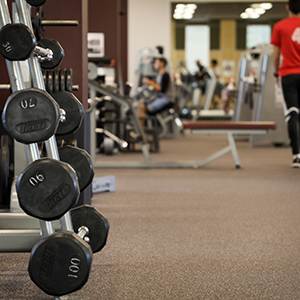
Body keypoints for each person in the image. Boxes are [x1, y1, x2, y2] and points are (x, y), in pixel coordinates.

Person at [271, 0, 300, 167]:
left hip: (288, 74)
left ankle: (297, 155)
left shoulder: (280, 26)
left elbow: (276, 55)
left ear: (287, 7)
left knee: (292, 113)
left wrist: (276, 72)